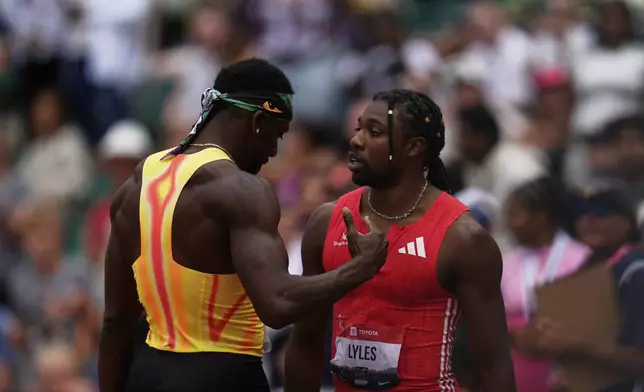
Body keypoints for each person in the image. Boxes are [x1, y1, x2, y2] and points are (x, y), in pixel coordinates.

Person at [98, 58, 389, 392]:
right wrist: (359, 268)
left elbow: (116, 323)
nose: (273, 151)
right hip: (221, 376)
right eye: (276, 135)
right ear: (257, 121)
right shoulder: (241, 190)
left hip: (146, 374)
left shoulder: (135, 187)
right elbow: (278, 303)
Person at [284, 89, 515, 391]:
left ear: (413, 147)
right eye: (358, 129)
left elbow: (493, 363)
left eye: (374, 132)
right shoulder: (327, 222)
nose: (356, 140)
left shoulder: (462, 239)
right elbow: (305, 343)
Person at [502, 177, 590, 392]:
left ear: (541, 215)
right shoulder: (507, 262)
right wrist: (514, 335)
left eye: (515, 215)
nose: (508, 224)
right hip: (517, 366)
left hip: (569, 367)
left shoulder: (582, 258)